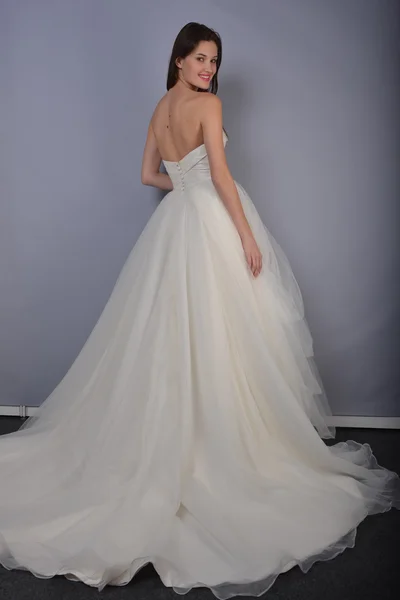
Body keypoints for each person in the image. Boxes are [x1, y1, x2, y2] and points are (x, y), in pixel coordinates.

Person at [0, 21, 399, 599]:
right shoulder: (207, 107)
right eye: (201, 59)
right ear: (181, 60)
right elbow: (223, 176)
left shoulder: (161, 107)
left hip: (175, 226)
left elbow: (145, 175)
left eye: (214, 61)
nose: (210, 70)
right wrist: (245, 234)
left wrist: (182, 189)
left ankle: (178, 444)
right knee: (222, 337)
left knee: (171, 340)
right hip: (208, 223)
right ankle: (216, 454)